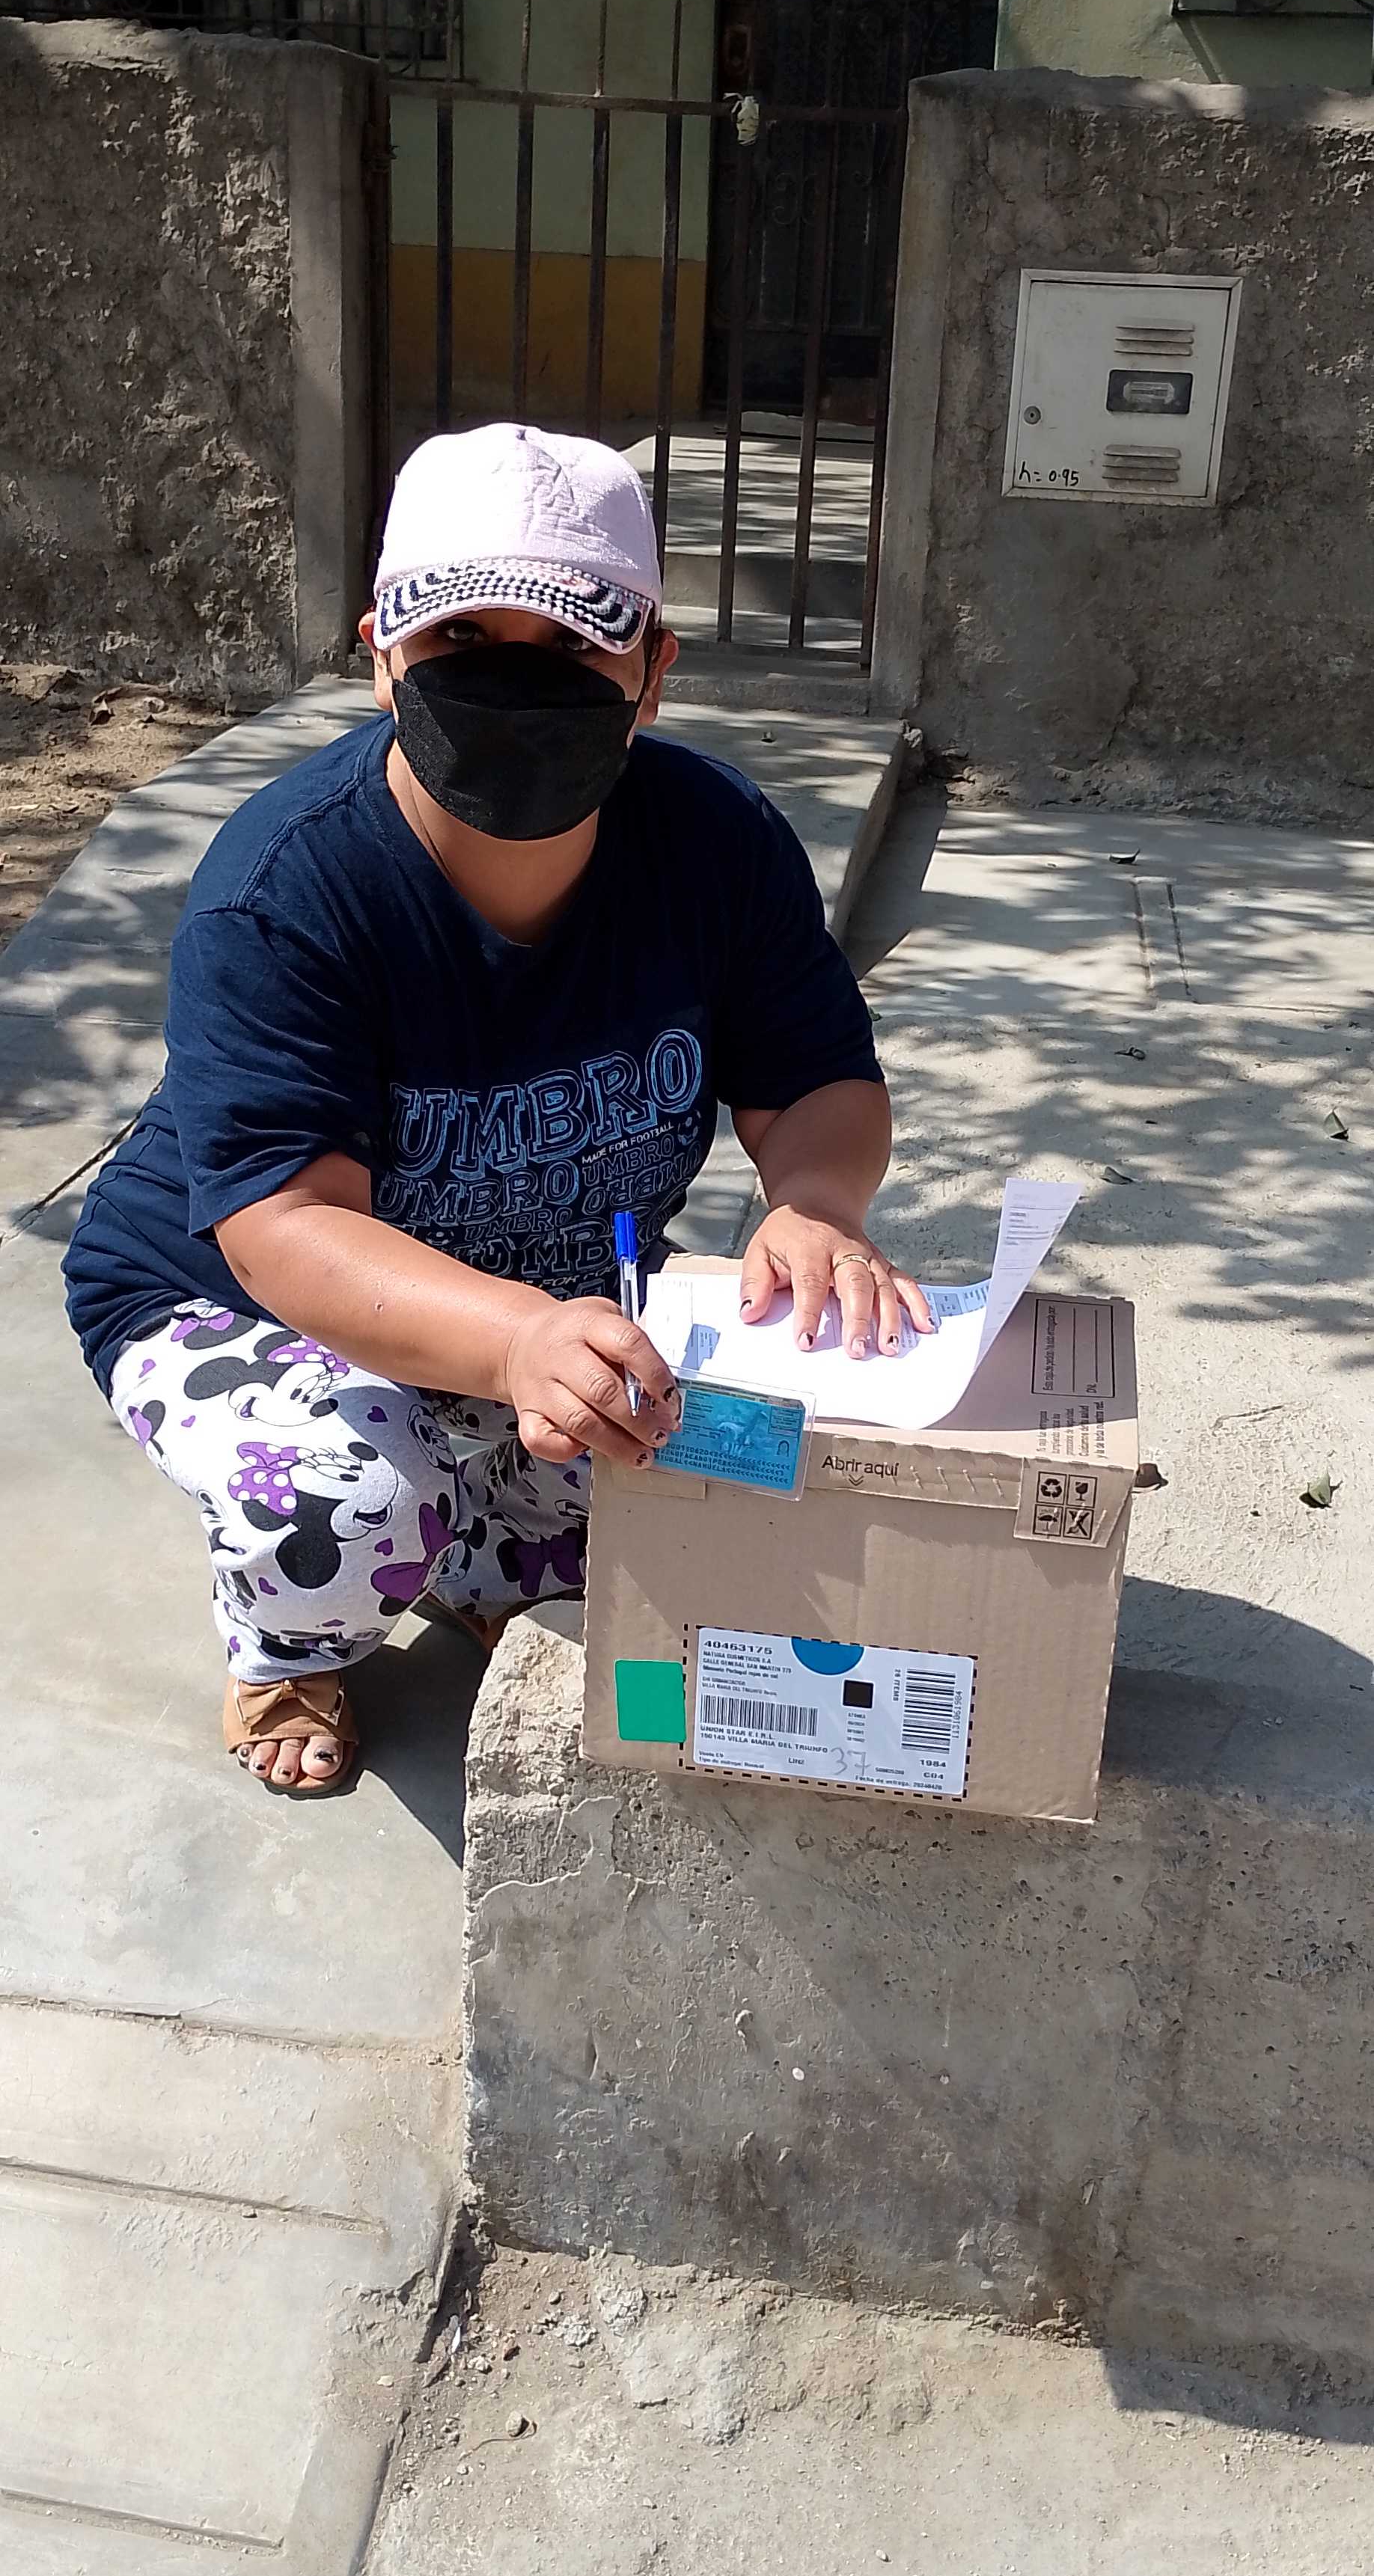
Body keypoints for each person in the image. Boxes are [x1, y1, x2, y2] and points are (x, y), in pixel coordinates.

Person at [64, 423, 930, 1796]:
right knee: (349, 1507)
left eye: (576, 642)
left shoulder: (716, 841)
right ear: (382, 654)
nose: (516, 682)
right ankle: (286, 1644)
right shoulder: (287, 890)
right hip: (235, 1302)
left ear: (652, 673)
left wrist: (817, 1205)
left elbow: (816, 1074)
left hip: (555, 1312)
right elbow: (285, 1227)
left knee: (748, 1495)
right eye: (462, 635)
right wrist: (518, 1338)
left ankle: (477, 1542)